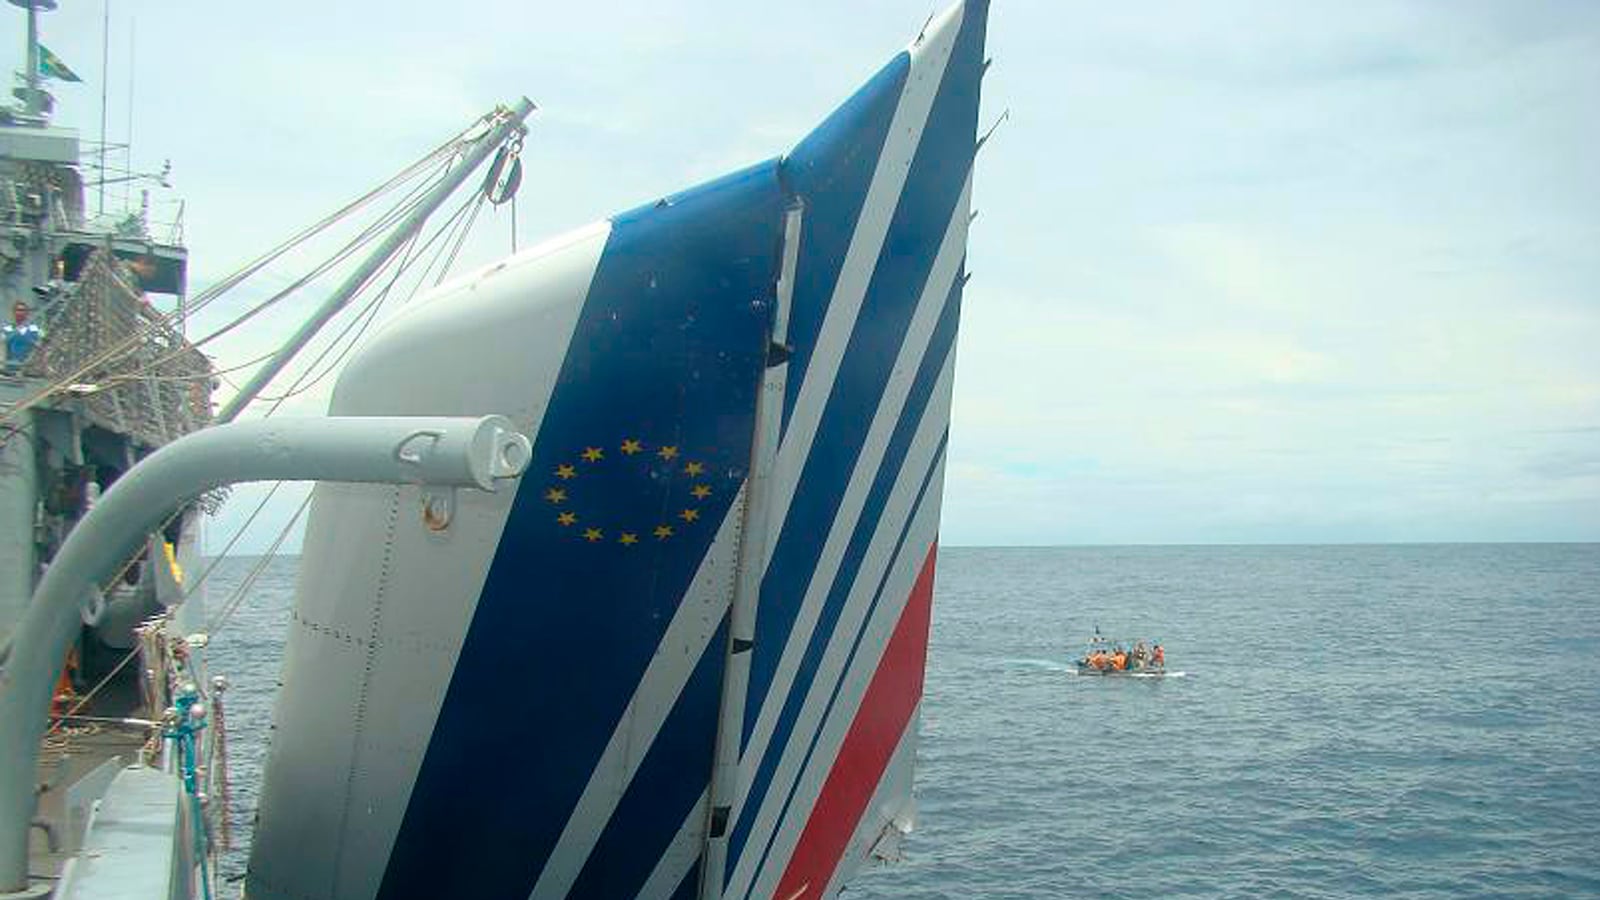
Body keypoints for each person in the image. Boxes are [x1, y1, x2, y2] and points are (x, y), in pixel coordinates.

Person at [3, 301, 41, 372]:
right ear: (14, 312)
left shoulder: (34, 328)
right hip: (11, 368)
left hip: (28, 368)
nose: (20, 313)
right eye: (18, 310)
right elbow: (4, 342)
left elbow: (38, 344)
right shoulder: (8, 328)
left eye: (23, 310)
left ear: (27, 313)